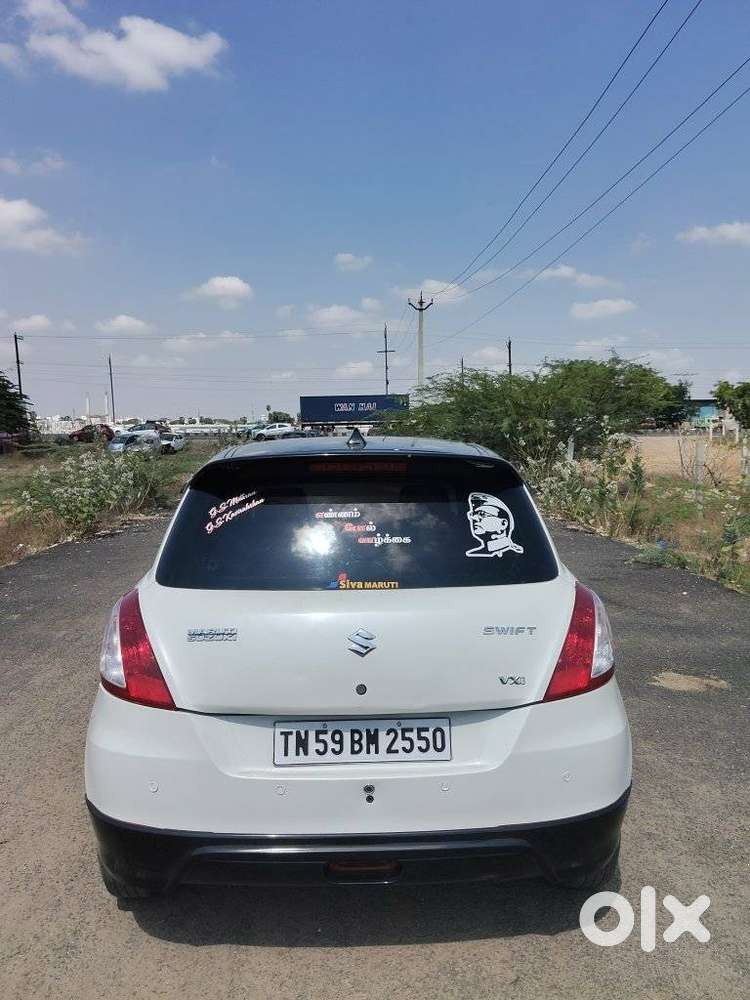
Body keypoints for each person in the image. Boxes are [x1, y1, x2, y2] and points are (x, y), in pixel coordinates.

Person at [465, 492, 524, 558]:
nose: (474, 518)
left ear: (503, 524)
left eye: (482, 514)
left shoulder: (514, 554)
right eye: (472, 515)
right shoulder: (474, 555)